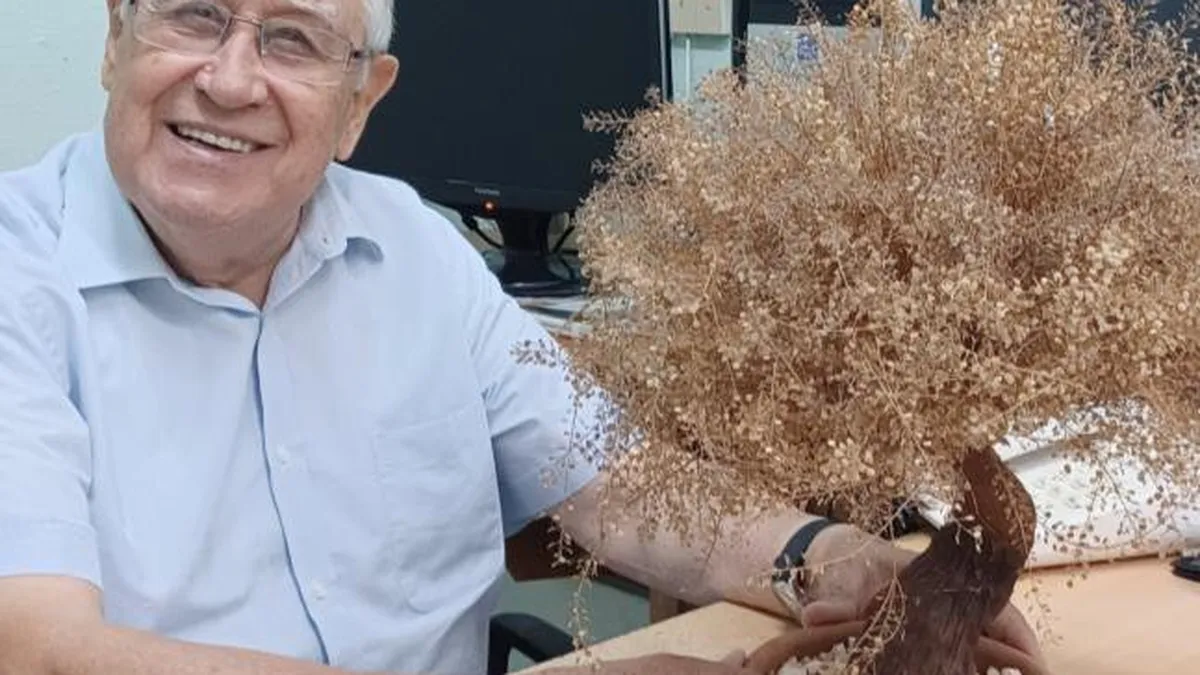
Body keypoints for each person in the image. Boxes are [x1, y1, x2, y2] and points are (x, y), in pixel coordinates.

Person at [0, 1, 1043, 673]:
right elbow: (43, 649)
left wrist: (822, 557)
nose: (230, 80)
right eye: (194, 17)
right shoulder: (17, 274)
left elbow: (615, 481)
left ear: (361, 103)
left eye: (292, 40)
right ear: (114, 39)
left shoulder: (413, 248)